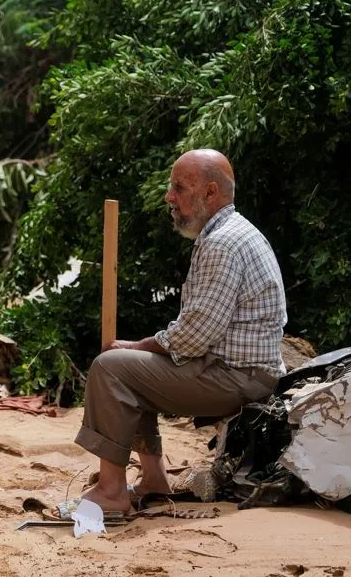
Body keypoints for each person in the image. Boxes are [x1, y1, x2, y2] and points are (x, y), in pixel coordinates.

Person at [69, 149, 287, 517]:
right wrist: (145, 350)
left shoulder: (221, 244)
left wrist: (137, 345)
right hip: (242, 371)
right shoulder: (234, 232)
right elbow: (194, 334)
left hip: (237, 377)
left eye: (179, 188)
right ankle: (154, 479)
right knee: (134, 365)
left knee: (111, 368)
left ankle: (111, 492)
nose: (170, 197)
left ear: (210, 193)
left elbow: (193, 336)